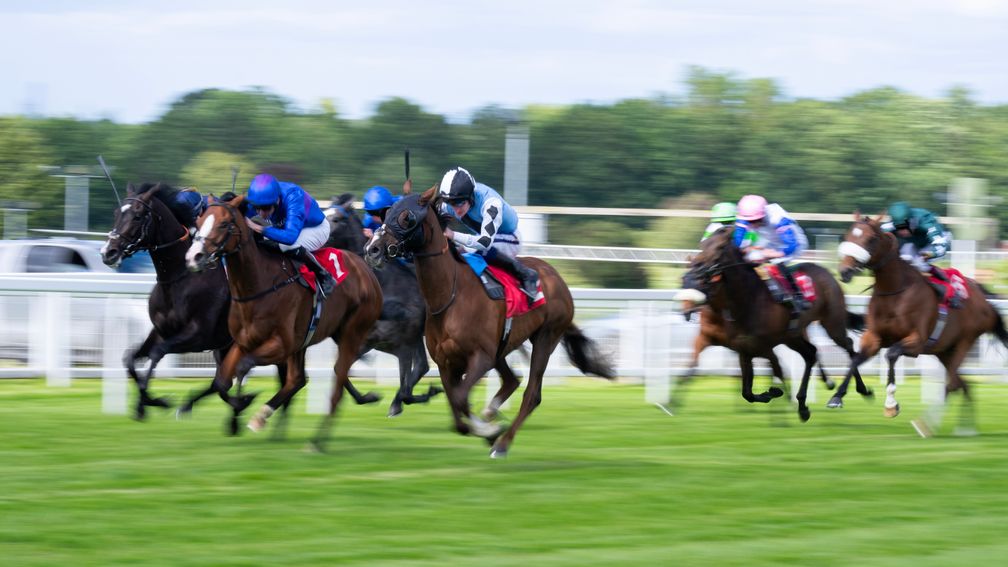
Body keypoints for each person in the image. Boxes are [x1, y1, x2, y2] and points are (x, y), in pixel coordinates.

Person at [438, 166, 540, 303]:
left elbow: (485, 242)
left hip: (509, 238)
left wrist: (453, 235)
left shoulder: (491, 204)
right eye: (450, 203)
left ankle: (526, 274)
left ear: (470, 196)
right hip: (486, 237)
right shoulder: (452, 203)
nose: (455, 209)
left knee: (472, 249)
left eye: (460, 203)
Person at [242, 173, 336, 297]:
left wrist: (258, 228)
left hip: (315, 228)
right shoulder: (261, 198)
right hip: (289, 229)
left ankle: (324, 275)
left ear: (277, 200)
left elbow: (289, 238)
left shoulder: (293, 197)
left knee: (286, 246)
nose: (260, 214)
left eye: (265, 208)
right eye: (256, 208)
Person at [732, 194, 810, 314]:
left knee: (776, 264)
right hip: (769, 242)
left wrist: (771, 254)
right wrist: (744, 250)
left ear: (763, 214)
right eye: (749, 222)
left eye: (756, 220)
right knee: (748, 259)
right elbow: (737, 242)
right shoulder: (745, 215)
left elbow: (791, 245)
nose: (752, 224)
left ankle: (798, 296)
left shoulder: (778, 219)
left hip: (793, 243)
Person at [882, 201, 960, 308]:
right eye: (899, 228)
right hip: (915, 242)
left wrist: (931, 254)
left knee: (919, 262)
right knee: (904, 258)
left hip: (936, 241)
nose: (902, 231)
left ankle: (949, 290)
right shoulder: (890, 224)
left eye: (905, 227)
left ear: (911, 221)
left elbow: (941, 246)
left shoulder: (926, 221)